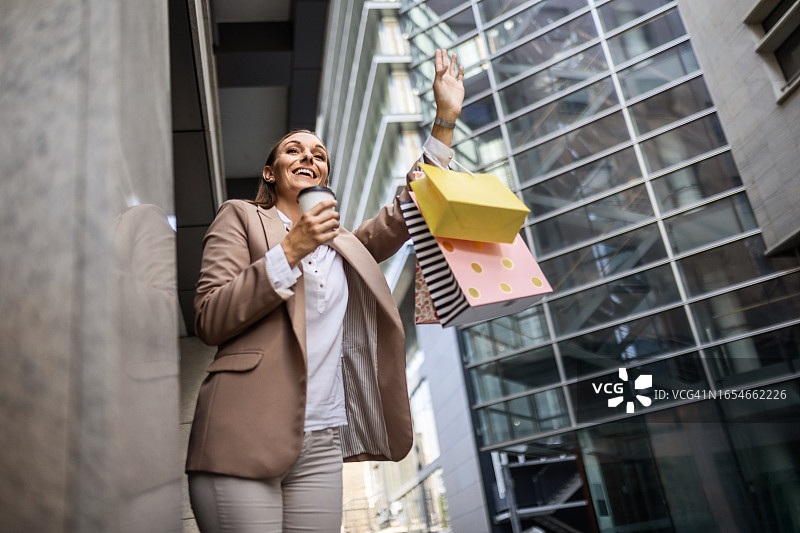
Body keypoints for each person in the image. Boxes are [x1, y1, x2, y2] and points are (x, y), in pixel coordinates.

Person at [185, 49, 465, 532]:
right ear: (271, 174)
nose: (308, 158)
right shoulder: (240, 218)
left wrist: (444, 120)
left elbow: (409, 205)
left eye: (318, 156)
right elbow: (210, 318)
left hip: (321, 442)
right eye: (294, 150)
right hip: (241, 433)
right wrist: (290, 249)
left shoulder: (346, 247)